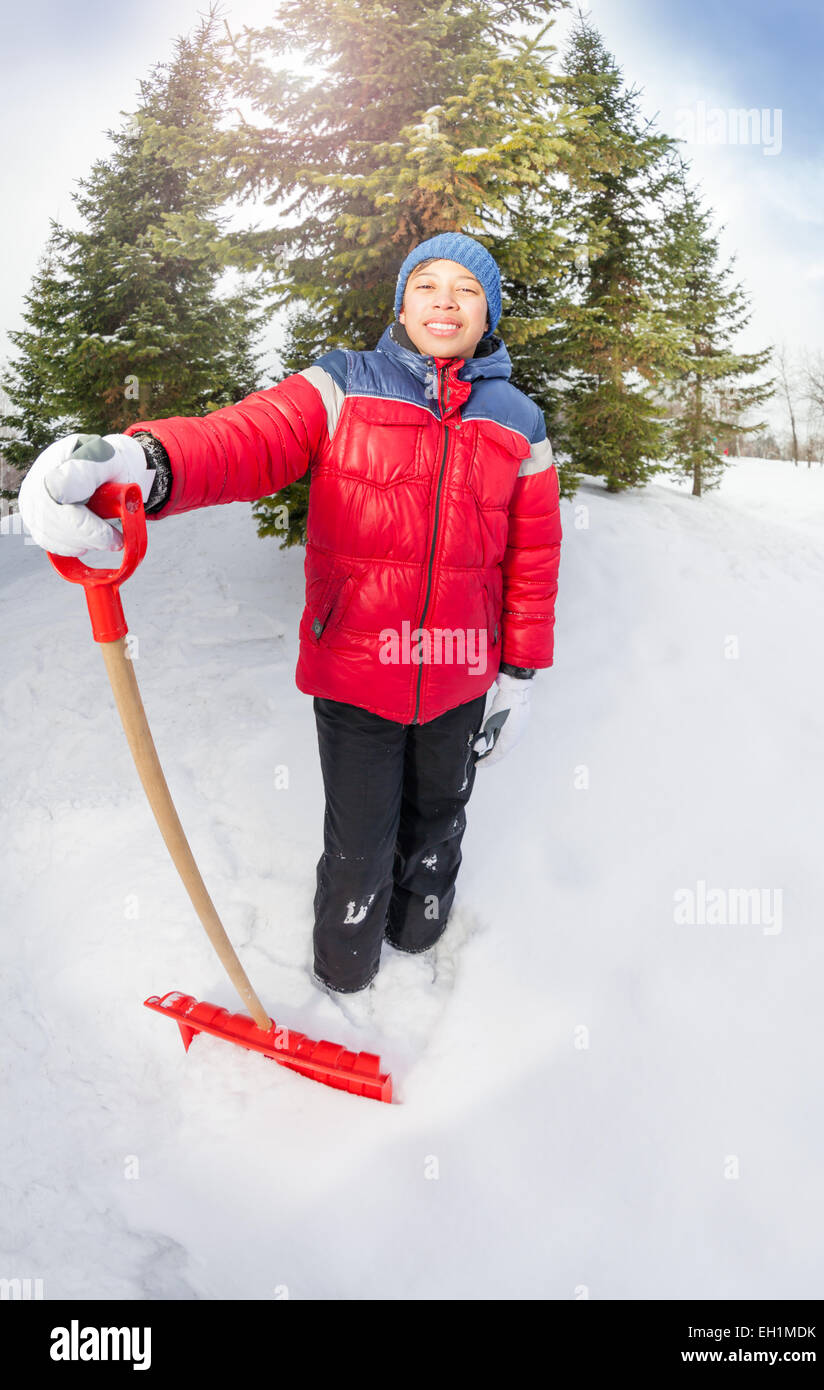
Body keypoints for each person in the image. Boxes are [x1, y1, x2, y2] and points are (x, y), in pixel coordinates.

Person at [18, 232, 563, 994]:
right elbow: (245, 438)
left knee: (440, 822)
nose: (446, 300)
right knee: (359, 844)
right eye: (428, 285)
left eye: (467, 289)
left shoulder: (521, 423)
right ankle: (345, 980)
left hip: (461, 675)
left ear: (488, 313)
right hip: (357, 669)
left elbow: (532, 558)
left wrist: (521, 675)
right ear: (401, 303)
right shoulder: (345, 382)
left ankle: (421, 938)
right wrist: (144, 462)